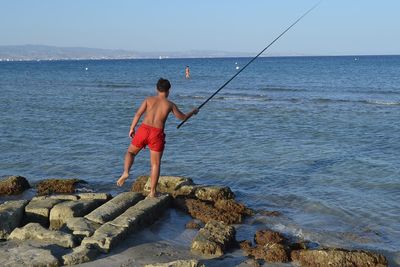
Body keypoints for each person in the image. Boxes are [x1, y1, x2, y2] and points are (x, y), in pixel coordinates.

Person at [116, 78, 198, 197]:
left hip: (144, 129)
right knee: (155, 164)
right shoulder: (170, 104)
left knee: (130, 152)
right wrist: (193, 112)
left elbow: (138, 114)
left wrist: (132, 128)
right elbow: (183, 118)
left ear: (156, 89)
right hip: (157, 133)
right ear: (168, 90)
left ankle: (126, 172)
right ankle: (152, 192)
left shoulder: (148, 100)